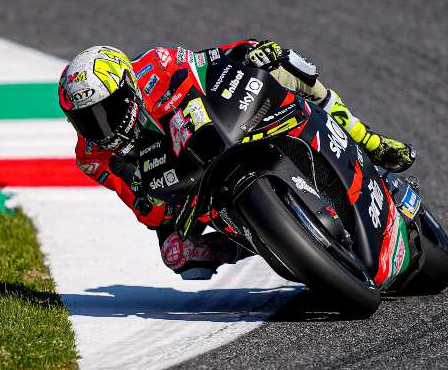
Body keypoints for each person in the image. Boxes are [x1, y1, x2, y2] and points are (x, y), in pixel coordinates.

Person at [57, 40, 416, 280]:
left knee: (283, 64)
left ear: (128, 87)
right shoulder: (91, 156)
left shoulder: (154, 65)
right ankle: (262, 241)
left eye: (107, 109)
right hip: (178, 186)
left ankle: (369, 140)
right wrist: (152, 195)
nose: (101, 126)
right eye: (88, 119)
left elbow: (211, 60)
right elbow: (143, 209)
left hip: (216, 126)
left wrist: (250, 49)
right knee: (178, 256)